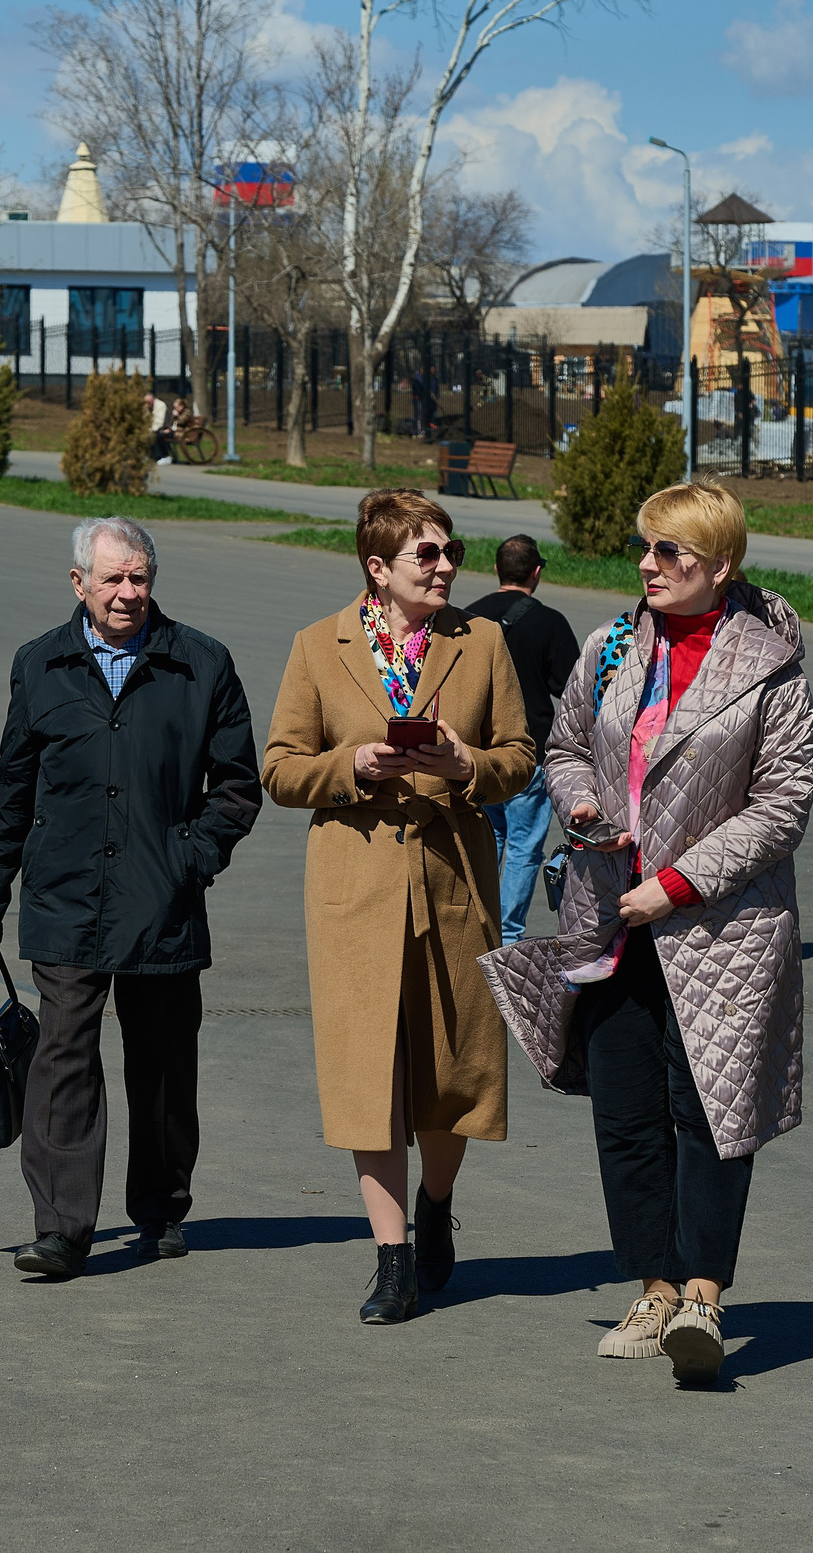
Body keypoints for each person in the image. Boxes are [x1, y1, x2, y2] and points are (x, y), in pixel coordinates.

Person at [538, 481, 813, 1385]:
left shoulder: (768, 667)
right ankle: (653, 1286)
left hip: (720, 928)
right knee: (625, 1112)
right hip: (610, 916)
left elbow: (782, 805)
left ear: (720, 568)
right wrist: (580, 804)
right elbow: (566, 746)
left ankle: (703, 1294)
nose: (648, 567)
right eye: (645, 548)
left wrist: (679, 883)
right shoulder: (612, 643)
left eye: (671, 555)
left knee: (709, 1113)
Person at [261, 488, 535, 1324]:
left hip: (453, 884)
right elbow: (278, 769)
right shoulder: (318, 646)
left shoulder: (483, 641)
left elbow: (522, 756)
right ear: (378, 569)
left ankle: (438, 1202)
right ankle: (391, 1257)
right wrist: (353, 766)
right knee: (367, 1077)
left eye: (451, 551)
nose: (448, 566)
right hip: (355, 893)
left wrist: (465, 768)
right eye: (429, 554)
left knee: (452, 1072)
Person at [0, 517, 260, 1281]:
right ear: (78, 584)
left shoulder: (201, 664)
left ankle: (160, 1206)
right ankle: (61, 1229)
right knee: (62, 1060)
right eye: (113, 579)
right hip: (65, 897)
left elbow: (236, 789)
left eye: (140, 578)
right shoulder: (41, 665)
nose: (127, 593)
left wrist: (186, 863)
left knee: (162, 1064)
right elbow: (9, 791)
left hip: (162, 903)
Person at [464, 534, 579, 943]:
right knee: (525, 848)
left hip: (477, 753)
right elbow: (573, 688)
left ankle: (474, 926)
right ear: (537, 572)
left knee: (488, 838)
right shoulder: (550, 623)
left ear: (496, 569)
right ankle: (508, 935)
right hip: (529, 754)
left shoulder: (467, 618)